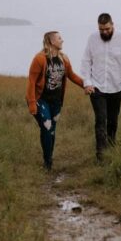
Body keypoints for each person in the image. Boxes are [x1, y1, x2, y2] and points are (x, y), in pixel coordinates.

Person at [26, 31, 85, 171]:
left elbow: (72, 75)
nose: (62, 40)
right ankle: (47, 163)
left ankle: (49, 158)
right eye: (59, 38)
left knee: (51, 130)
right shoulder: (40, 59)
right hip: (41, 100)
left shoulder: (64, 59)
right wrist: (32, 103)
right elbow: (31, 82)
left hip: (56, 101)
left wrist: (86, 85)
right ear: (52, 42)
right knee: (46, 126)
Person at [81, 13, 121, 161]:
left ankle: (111, 149)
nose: (104, 32)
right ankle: (101, 156)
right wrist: (87, 82)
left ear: (112, 25)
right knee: (100, 120)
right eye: (101, 29)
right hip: (96, 87)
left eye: (107, 29)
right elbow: (86, 61)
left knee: (112, 121)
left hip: (117, 86)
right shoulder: (92, 39)